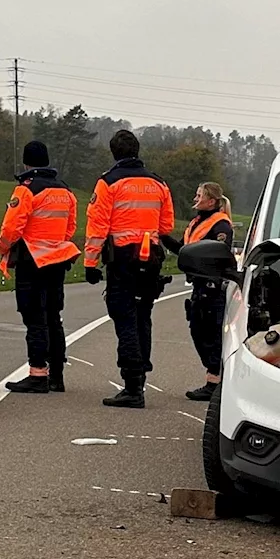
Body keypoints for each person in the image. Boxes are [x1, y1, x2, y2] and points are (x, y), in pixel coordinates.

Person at [83, 129, 174, 408]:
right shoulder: (159, 183)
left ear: (114, 153)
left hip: (122, 259)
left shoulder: (108, 182)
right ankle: (140, 379)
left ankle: (132, 385)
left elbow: (97, 227)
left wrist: (89, 263)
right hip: (151, 258)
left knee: (124, 319)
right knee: (143, 316)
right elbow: (166, 226)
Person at [0, 139, 79, 394]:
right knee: (54, 317)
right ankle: (57, 375)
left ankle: (37, 374)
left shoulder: (26, 189)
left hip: (31, 261)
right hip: (57, 260)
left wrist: (3, 249)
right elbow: (71, 226)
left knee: (35, 318)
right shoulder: (65, 190)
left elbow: (12, 227)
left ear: (26, 162)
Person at [171, 180, 233, 403]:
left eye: (200, 195)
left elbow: (219, 253)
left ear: (212, 201)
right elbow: (182, 249)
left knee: (210, 335)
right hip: (198, 286)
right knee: (199, 332)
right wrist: (160, 236)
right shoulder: (197, 223)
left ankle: (214, 383)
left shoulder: (221, 226)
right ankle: (214, 379)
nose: (195, 199)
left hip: (212, 288)